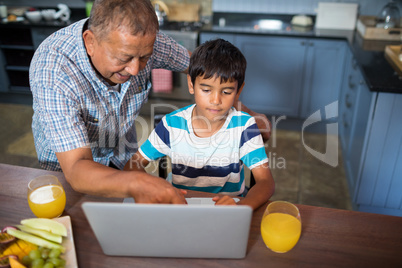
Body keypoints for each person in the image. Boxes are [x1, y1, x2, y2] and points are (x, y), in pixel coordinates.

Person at [30, 0, 270, 204]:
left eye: (144, 57)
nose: (135, 69)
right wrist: (138, 181)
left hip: (121, 154)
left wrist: (244, 112)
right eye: (124, 58)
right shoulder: (53, 70)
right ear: (90, 41)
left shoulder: (145, 42)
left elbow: (207, 72)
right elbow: (76, 168)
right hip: (70, 168)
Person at [128, 39, 275, 210]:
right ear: (191, 84)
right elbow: (133, 164)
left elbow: (266, 182)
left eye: (227, 92)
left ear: (238, 91)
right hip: (180, 207)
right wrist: (153, 188)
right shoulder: (171, 125)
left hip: (228, 210)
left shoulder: (244, 127)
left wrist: (243, 207)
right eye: (206, 90)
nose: (215, 100)